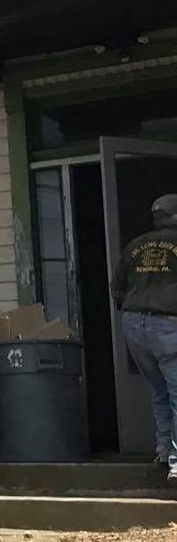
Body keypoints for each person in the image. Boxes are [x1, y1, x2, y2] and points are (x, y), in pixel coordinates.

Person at [111, 193, 177, 480]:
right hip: (168, 325)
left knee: (160, 391)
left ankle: (164, 451)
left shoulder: (135, 246)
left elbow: (117, 291)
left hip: (134, 323)